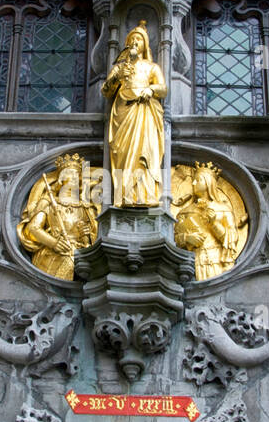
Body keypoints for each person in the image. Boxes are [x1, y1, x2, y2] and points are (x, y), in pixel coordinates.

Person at [103, 22, 166, 208]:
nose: (135, 42)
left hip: (144, 110)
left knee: (144, 153)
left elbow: (163, 88)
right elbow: (106, 91)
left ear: (145, 44)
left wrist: (151, 89)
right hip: (123, 113)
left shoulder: (152, 67)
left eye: (138, 39)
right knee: (124, 153)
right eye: (131, 39)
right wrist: (117, 76)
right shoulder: (120, 67)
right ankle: (124, 195)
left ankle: (145, 195)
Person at [17, 155, 98, 279]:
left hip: (80, 258)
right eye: (71, 173)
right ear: (61, 179)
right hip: (53, 255)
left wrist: (87, 236)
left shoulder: (85, 207)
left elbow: (96, 235)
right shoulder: (48, 201)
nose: (76, 177)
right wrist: (54, 243)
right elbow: (33, 228)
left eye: (78, 174)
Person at [173, 163, 241, 280]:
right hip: (190, 262)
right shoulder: (185, 211)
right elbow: (175, 238)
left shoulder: (223, 209)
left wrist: (214, 223)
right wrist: (186, 238)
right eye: (194, 180)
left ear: (208, 183)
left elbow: (231, 240)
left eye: (198, 180)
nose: (194, 183)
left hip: (215, 260)